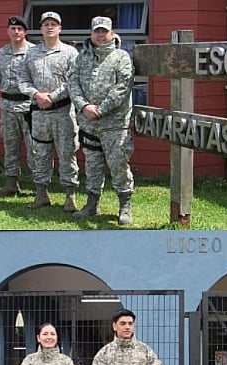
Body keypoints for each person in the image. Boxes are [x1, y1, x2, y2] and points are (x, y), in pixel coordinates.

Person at [70, 16, 136, 225]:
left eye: (104, 31)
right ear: (91, 33)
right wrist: (84, 106)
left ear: (111, 33)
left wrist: (100, 109)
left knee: (118, 164)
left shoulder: (121, 57)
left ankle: (124, 205)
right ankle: (92, 204)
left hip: (115, 124)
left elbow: (123, 88)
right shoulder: (82, 57)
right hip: (89, 124)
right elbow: (73, 83)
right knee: (92, 165)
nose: (100, 35)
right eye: (97, 31)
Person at [18, 11, 80, 211]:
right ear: (41, 29)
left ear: (60, 28)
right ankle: (41, 194)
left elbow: (74, 81)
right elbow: (22, 80)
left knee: (67, 154)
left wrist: (52, 97)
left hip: (63, 112)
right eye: (46, 24)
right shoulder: (31, 53)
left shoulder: (71, 53)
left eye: (54, 24)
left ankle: (70, 196)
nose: (50, 27)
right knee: (40, 154)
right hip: (39, 114)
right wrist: (37, 94)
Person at [0, 15, 36, 197]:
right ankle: (11, 183)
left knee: (35, 147)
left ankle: (39, 186)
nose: (16, 32)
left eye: (20, 29)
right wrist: (5, 88)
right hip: (8, 106)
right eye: (13, 29)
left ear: (25, 32)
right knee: (10, 147)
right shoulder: (0, 54)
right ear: (8, 31)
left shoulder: (34, 52)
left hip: (29, 106)